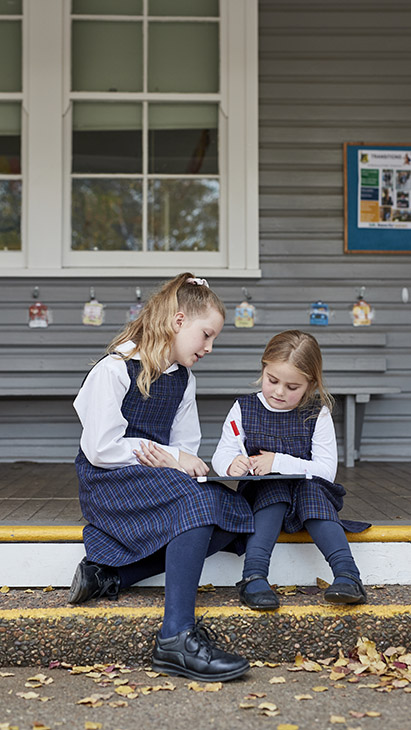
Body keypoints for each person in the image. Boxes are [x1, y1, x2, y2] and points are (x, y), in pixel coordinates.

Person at [69, 273, 254, 682]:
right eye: (206, 335)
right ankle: (175, 637)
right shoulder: (116, 368)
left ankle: (112, 575)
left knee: (234, 510)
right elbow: (101, 448)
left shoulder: (184, 380)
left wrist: (176, 460)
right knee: (199, 504)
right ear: (178, 321)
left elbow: (186, 448)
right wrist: (170, 457)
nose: (209, 347)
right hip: (110, 481)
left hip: (156, 481)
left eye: (214, 340)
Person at [212, 330, 369, 611]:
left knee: (311, 488)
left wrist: (278, 462)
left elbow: (325, 471)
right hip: (262, 502)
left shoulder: (316, 413)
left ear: (310, 385)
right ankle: (254, 576)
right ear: (263, 369)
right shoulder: (243, 408)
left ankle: (348, 575)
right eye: (272, 380)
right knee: (273, 485)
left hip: (309, 502)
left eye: (292, 387)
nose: (279, 391)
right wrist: (230, 462)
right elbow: (223, 451)